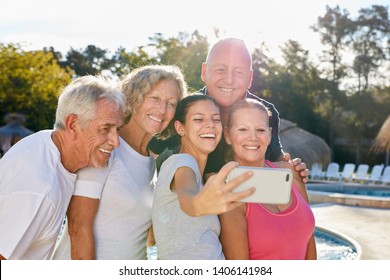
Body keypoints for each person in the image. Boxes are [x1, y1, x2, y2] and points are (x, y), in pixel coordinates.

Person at [52, 65, 188, 260]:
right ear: (134, 99)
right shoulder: (105, 147)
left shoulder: (151, 162)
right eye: (155, 99)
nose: (162, 109)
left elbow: (144, 237)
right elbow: (78, 228)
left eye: (172, 103)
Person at [148, 37, 309, 182]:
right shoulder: (185, 108)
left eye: (239, 72)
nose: (229, 80)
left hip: (244, 204)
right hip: (191, 202)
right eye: (221, 70)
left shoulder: (265, 112)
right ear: (204, 71)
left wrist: (293, 167)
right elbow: (150, 147)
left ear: (250, 78)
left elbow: (274, 157)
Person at [0, 75, 125, 260]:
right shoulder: (40, 190)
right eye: (105, 129)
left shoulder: (43, 141)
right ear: (73, 124)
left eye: (117, 129)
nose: (116, 142)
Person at [152, 93, 254, 260]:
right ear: (180, 128)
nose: (210, 125)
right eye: (199, 119)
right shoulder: (182, 163)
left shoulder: (200, 176)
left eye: (216, 119)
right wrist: (198, 205)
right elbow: (189, 201)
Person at [219, 98, 317, 260]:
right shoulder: (231, 193)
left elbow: (309, 241)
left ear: (270, 134)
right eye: (243, 129)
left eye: (260, 130)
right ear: (228, 135)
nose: (253, 137)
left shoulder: (291, 173)